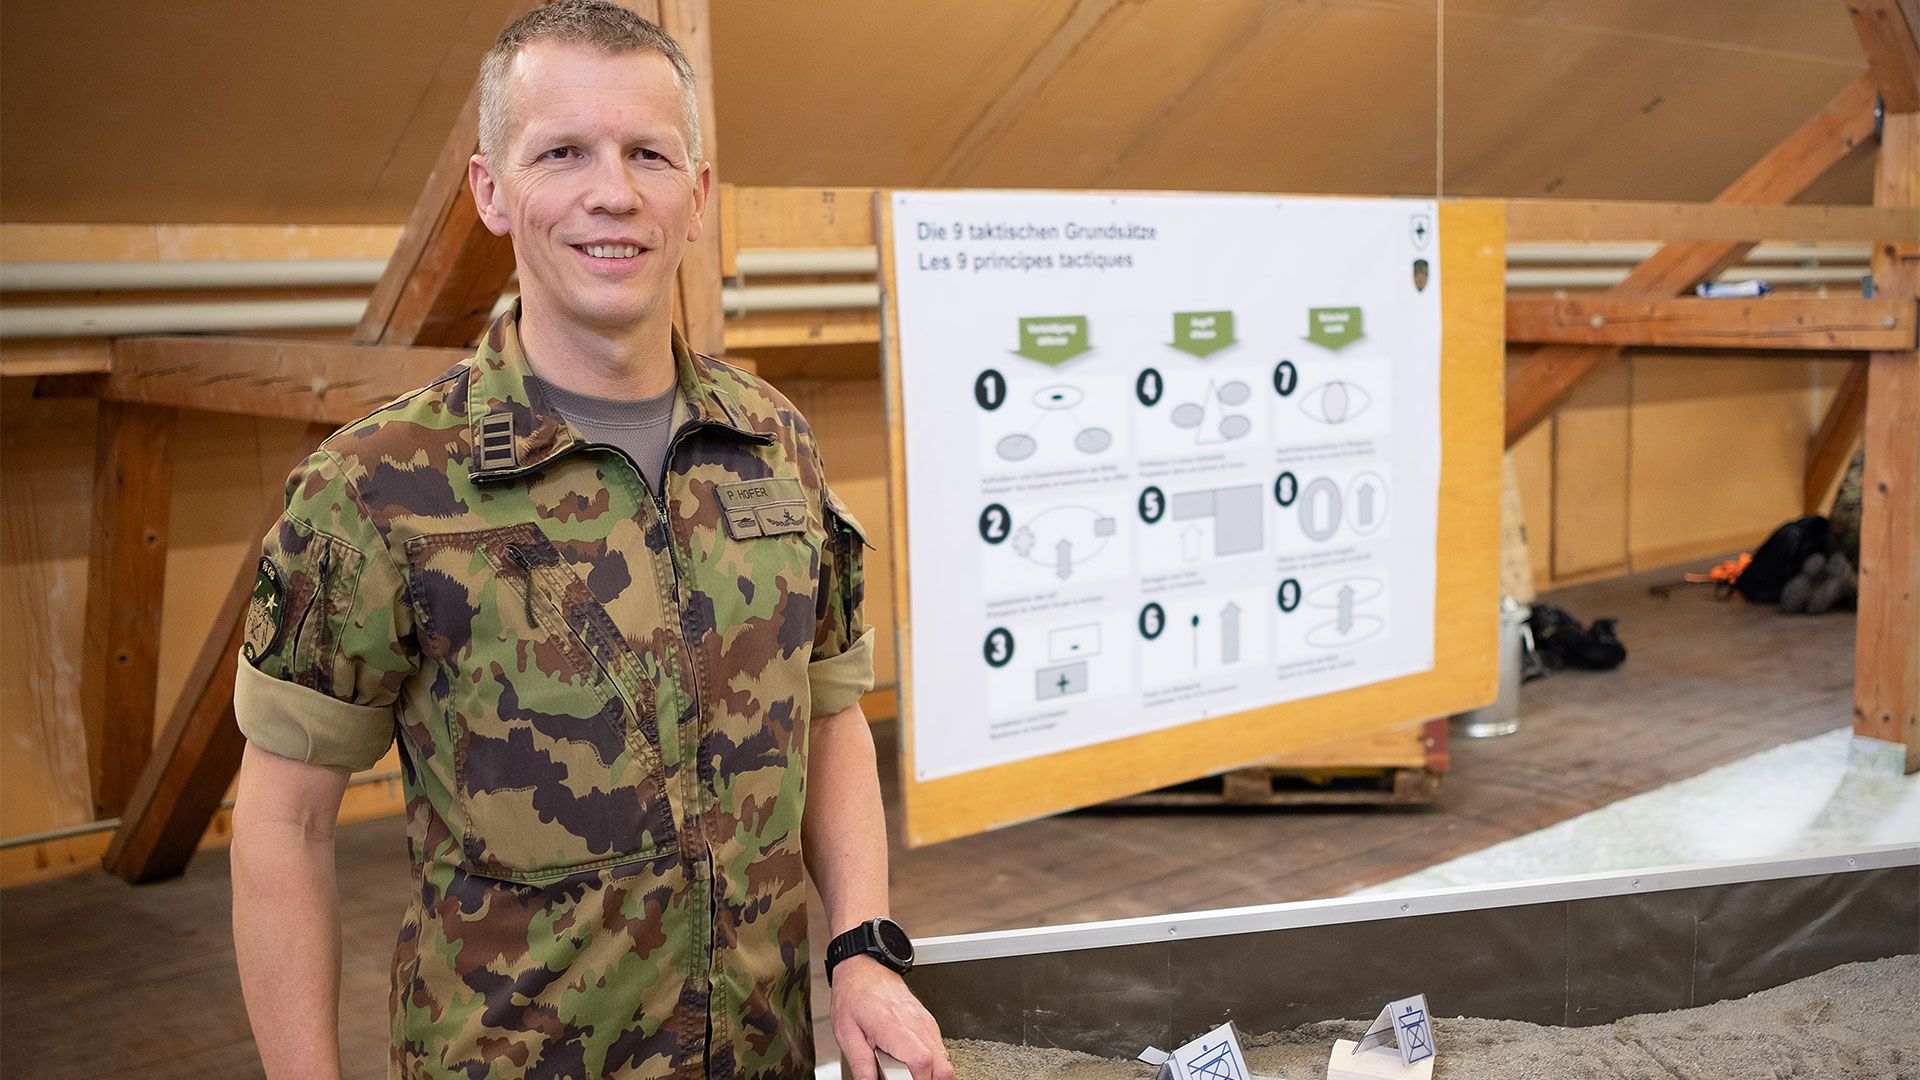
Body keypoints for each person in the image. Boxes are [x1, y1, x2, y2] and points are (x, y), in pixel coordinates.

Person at [227, 4, 954, 1078]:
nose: (611, 192)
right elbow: (282, 829)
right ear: (491, 191)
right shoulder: (377, 488)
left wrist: (860, 948)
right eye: (561, 151)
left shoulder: (774, 448)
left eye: (648, 154)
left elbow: (830, 713)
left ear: (695, 197)